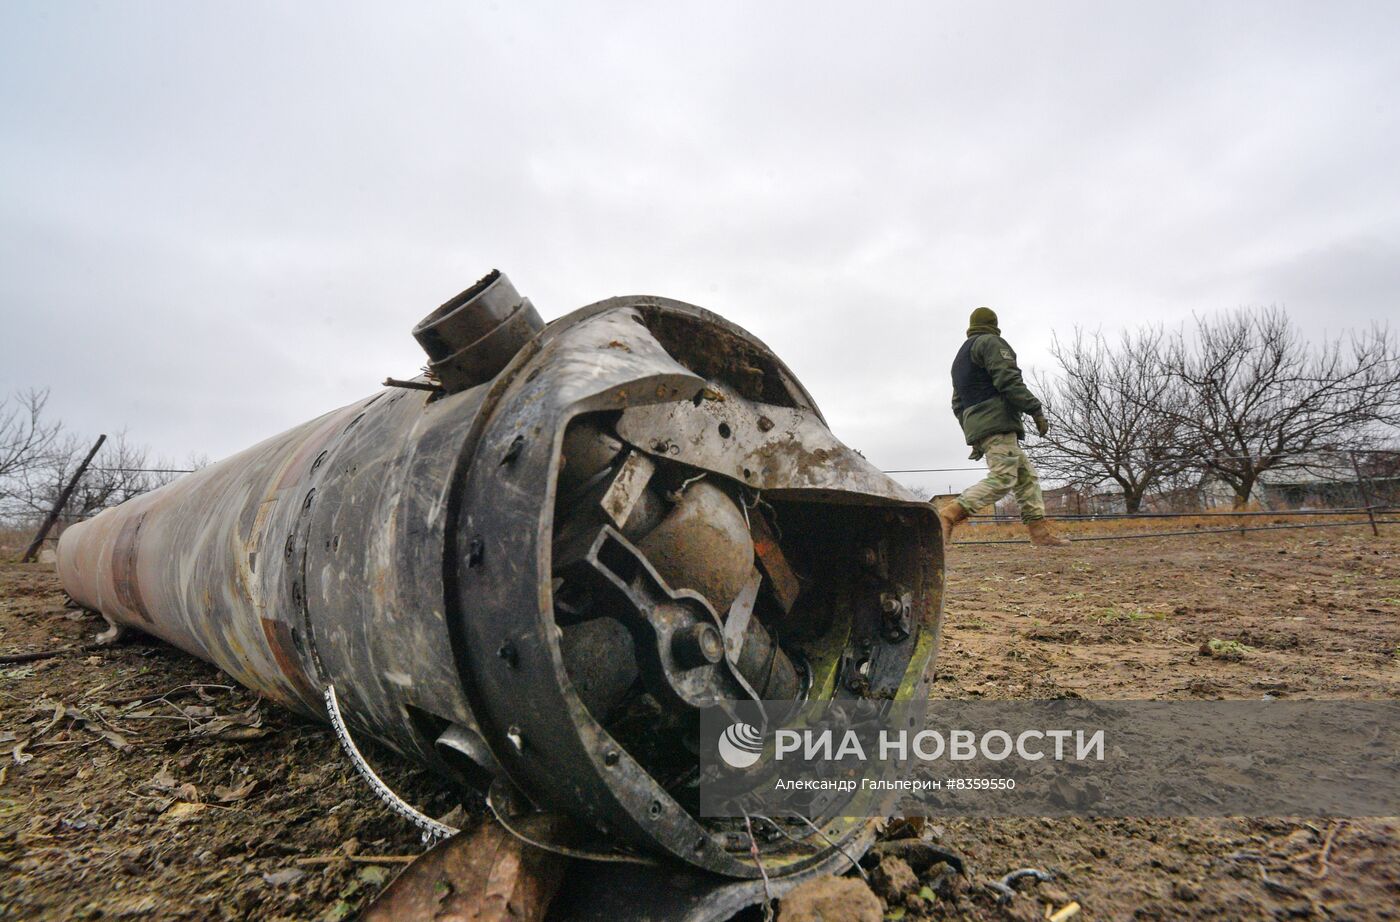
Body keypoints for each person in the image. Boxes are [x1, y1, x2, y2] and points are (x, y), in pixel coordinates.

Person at [938, 307, 1071, 548]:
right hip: (997, 421)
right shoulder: (991, 343)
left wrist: (974, 432)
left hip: (981, 423)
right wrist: (1035, 409)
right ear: (994, 324)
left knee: (1025, 476)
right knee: (1003, 478)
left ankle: (1039, 534)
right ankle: (948, 515)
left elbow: (957, 403)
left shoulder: (959, 359)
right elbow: (1008, 379)